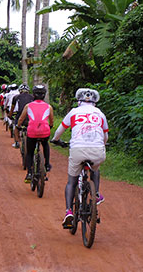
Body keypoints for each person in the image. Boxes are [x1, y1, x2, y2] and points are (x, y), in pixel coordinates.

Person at [50, 88, 108, 228]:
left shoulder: (74, 112)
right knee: (95, 168)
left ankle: (69, 211)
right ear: (94, 102)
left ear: (78, 101)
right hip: (98, 150)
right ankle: (96, 194)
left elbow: (59, 131)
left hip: (77, 150)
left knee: (72, 182)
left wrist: (56, 140)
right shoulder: (100, 114)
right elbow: (105, 136)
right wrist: (101, 144)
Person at [17, 85, 54, 183]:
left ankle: (29, 173)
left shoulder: (28, 106)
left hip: (32, 132)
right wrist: (50, 126)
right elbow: (52, 121)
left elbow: (21, 118)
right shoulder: (49, 107)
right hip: (45, 131)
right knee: (45, 144)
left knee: (30, 152)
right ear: (44, 95)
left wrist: (18, 126)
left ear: (33, 94)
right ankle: (47, 164)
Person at [9, 84, 33, 148]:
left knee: (16, 128)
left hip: (20, 116)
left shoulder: (16, 97)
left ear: (20, 90)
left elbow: (12, 108)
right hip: (30, 116)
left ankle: (16, 143)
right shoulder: (32, 97)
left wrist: (10, 115)